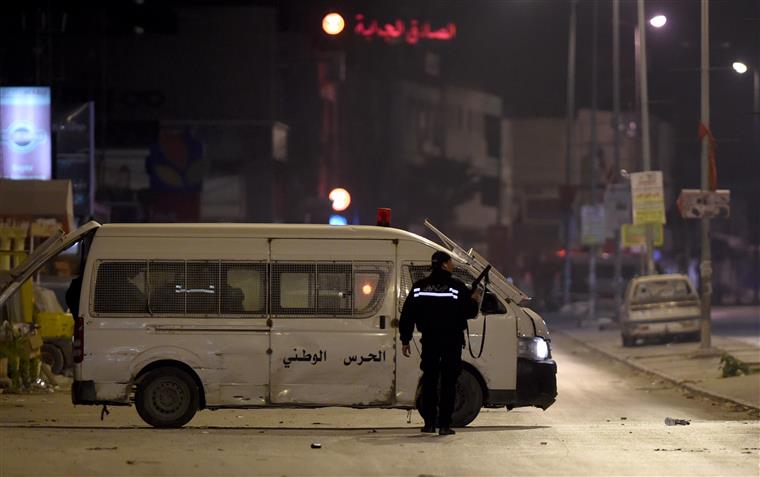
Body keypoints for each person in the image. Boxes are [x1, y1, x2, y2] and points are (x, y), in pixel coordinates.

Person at [399, 251, 481, 435]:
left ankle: (429, 424)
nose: (453, 264)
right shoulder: (455, 286)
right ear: (444, 264)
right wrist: (474, 299)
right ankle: (444, 425)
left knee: (429, 380)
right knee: (448, 382)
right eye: (450, 261)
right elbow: (468, 311)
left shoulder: (420, 287)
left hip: (430, 340)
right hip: (451, 341)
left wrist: (405, 339)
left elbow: (408, 313)